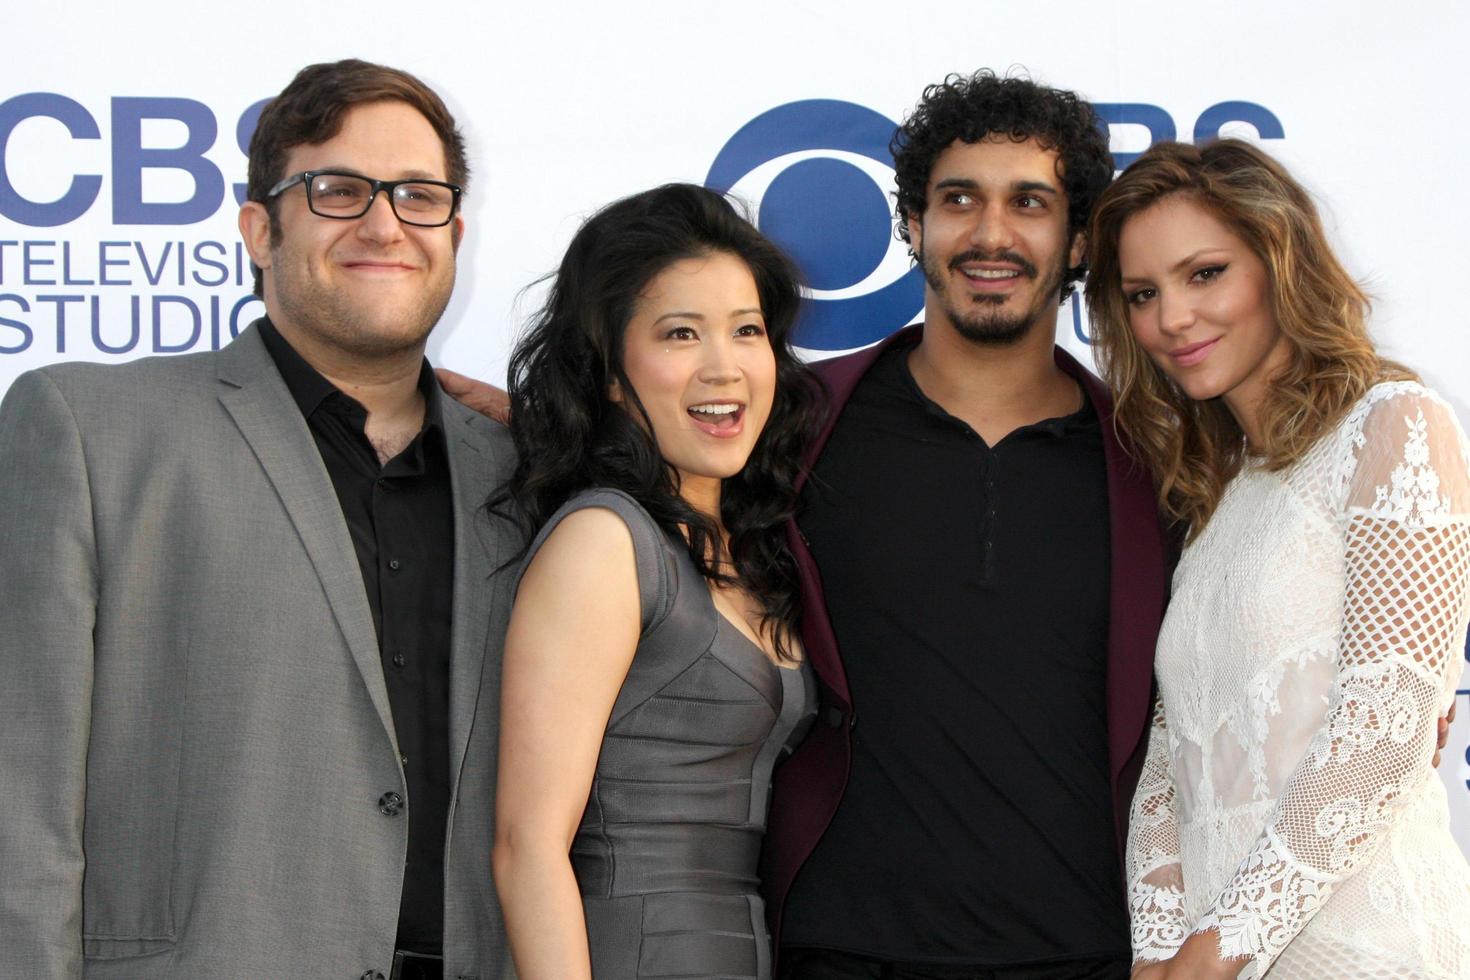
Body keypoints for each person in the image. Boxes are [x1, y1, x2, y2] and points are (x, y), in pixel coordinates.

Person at [0, 60, 518, 980]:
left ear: (455, 231)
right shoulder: (85, 430)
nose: (385, 222)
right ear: (257, 230)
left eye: (419, 195)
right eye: (339, 189)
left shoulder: (523, 477)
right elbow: (18, 792)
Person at [765, 70, 1168, 979]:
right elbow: (648, 469)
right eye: (959, 200)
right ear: (913, 225)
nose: (992, 234)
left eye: (1030, 202)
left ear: (1077, 239)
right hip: (839, 945)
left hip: (1089, 949)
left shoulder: (1155, 462)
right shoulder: (796, 423)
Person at [1086, 138, 1470, 979]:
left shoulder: (1393, 424)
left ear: (1278, 259)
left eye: (1205, 273)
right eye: (1143, 294)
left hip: (1372, 948)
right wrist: (1160, 952)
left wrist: (1218, 951)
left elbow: (1386, 727)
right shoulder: (1217, 492)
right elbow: (1169, 754)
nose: (1172, 319)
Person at [490, 183, 823, 979]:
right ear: (609, 370)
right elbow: (526, 847)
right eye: (681, 334)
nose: (725, 368)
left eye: (747, 332)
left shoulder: (747, 547)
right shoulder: (603, 542)